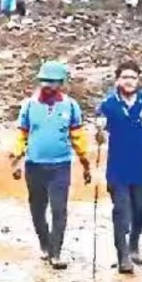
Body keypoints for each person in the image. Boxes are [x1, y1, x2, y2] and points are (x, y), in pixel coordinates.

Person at [10, 61, 92, 270]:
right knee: (37, 209)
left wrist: (86, 164)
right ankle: (45, 245)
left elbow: (78, 137)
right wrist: (16, 160)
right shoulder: (29, 105)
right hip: (34, 166)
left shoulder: (70, 106)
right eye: (44, 81)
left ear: (61, 83)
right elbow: (22, 134)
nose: (47, 86)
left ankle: (56, 253)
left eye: (52, 82)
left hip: (60, 166)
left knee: (59, 210)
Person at [95, 61, 142, 274]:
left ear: (138, 80)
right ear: (117, 80)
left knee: (140, 210)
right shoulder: (107, 105)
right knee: (121, 211)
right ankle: (123, 256)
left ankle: (134, 242)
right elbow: (100, 140)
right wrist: (98, 132)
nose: (129, 81)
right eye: (125, 77)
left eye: (133, 77)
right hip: (118, 169)